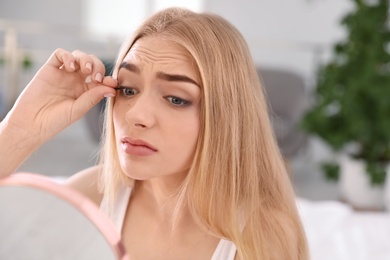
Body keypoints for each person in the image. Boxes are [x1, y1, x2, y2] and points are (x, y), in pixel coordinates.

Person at [0, 7, 308, 259]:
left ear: (225, 117)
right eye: (128, 89)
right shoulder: (92, 195)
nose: (136, 115)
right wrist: (21, 129)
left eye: (176, 99)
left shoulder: (260, 238)